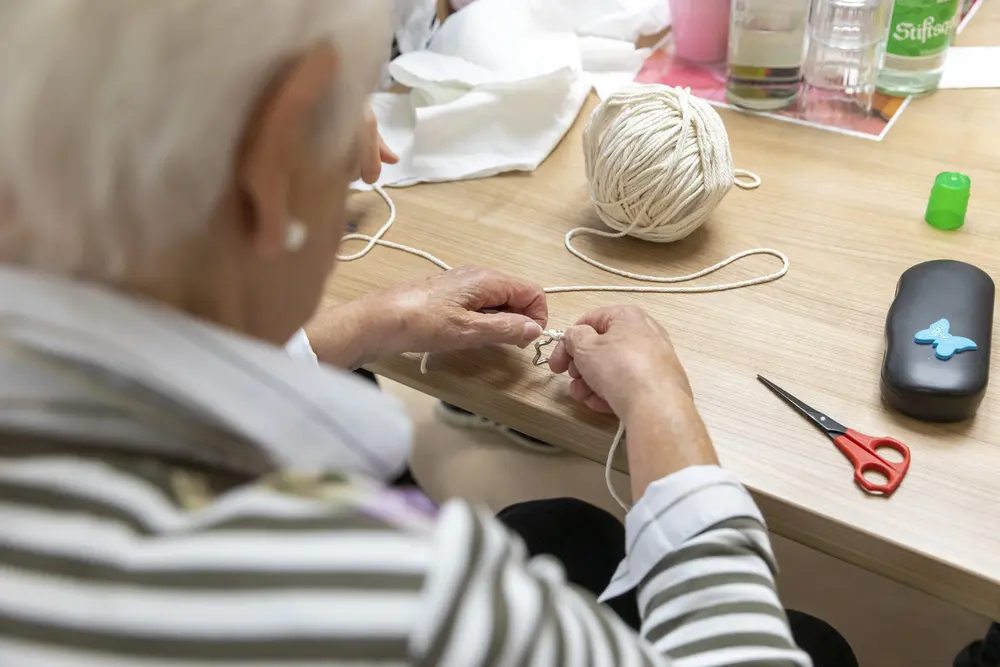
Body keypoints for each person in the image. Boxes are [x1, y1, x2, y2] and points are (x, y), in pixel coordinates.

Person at [0, 2, 858, 665]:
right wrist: (662, 402)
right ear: (272, 157)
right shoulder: (400, 590)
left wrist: (370, 323)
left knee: (562, 526)